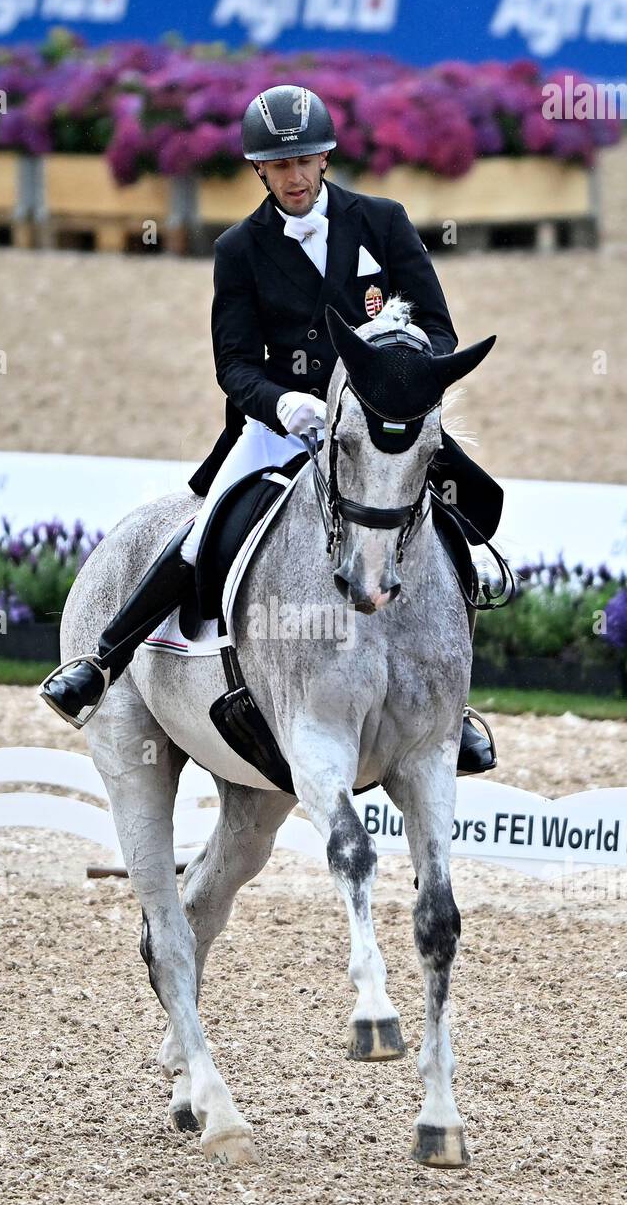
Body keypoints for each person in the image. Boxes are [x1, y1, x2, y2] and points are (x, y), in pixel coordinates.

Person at [40, 85, 502, 773]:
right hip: (282, 426)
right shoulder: (240, 248)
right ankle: (104, 661)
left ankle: (450, 703)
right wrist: (285, 404)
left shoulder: (382, 220)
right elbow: (233, 363)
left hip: (375, 422)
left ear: (325, 157)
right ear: (260, 169)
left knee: (467, 520)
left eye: (304, 161)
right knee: (203, 536)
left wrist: (399, 367)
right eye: (278, 166)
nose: (293, 177)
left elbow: (439, 328)